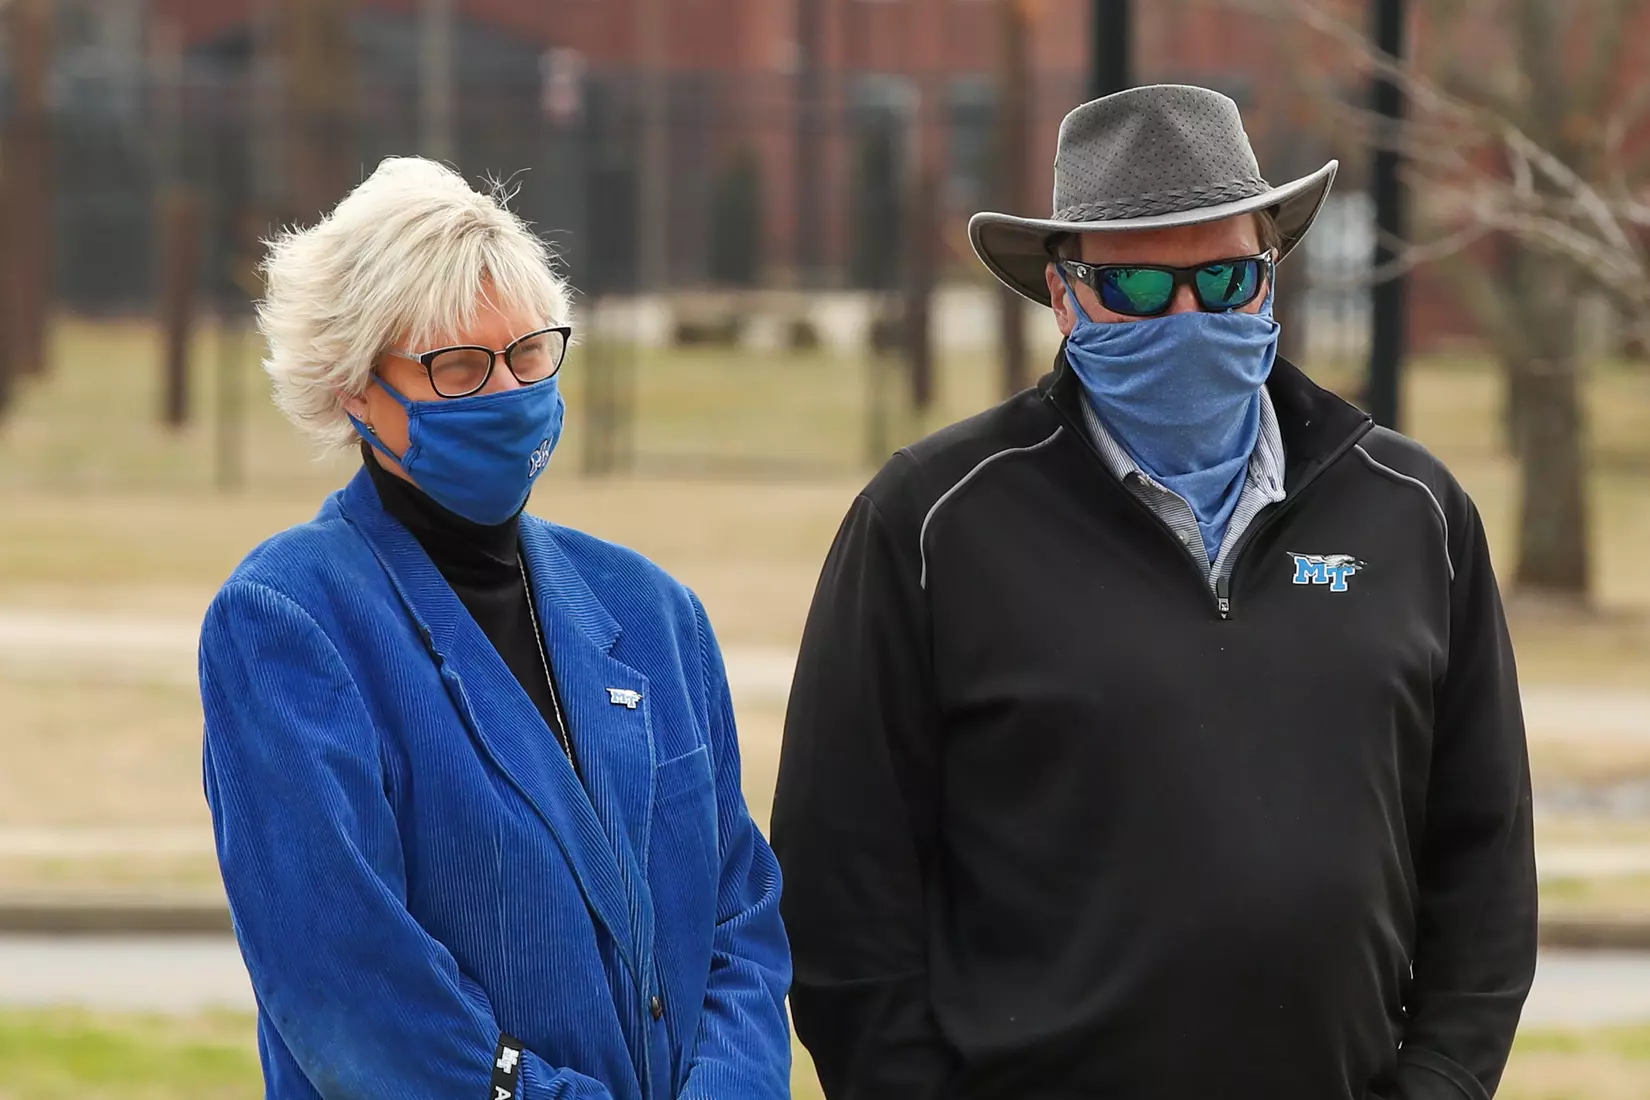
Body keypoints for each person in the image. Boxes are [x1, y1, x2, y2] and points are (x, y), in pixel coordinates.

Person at [772, 85, 1535, 1100]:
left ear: (1270, 276)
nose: (1188, 316)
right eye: (1137, 288)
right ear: (1063, 289)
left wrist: (1437, 1081)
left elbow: (1483, 863)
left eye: (1225, 279)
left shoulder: (1413, 512)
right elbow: (841, 893)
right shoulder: (929, 523)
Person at [199, 158, 790, 1100]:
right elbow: (350, 989)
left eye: (528, 356)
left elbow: (741, 919)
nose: (509, 394)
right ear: (355, 388)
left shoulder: (655, 613)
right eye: (460, 367)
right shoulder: (289, 622)